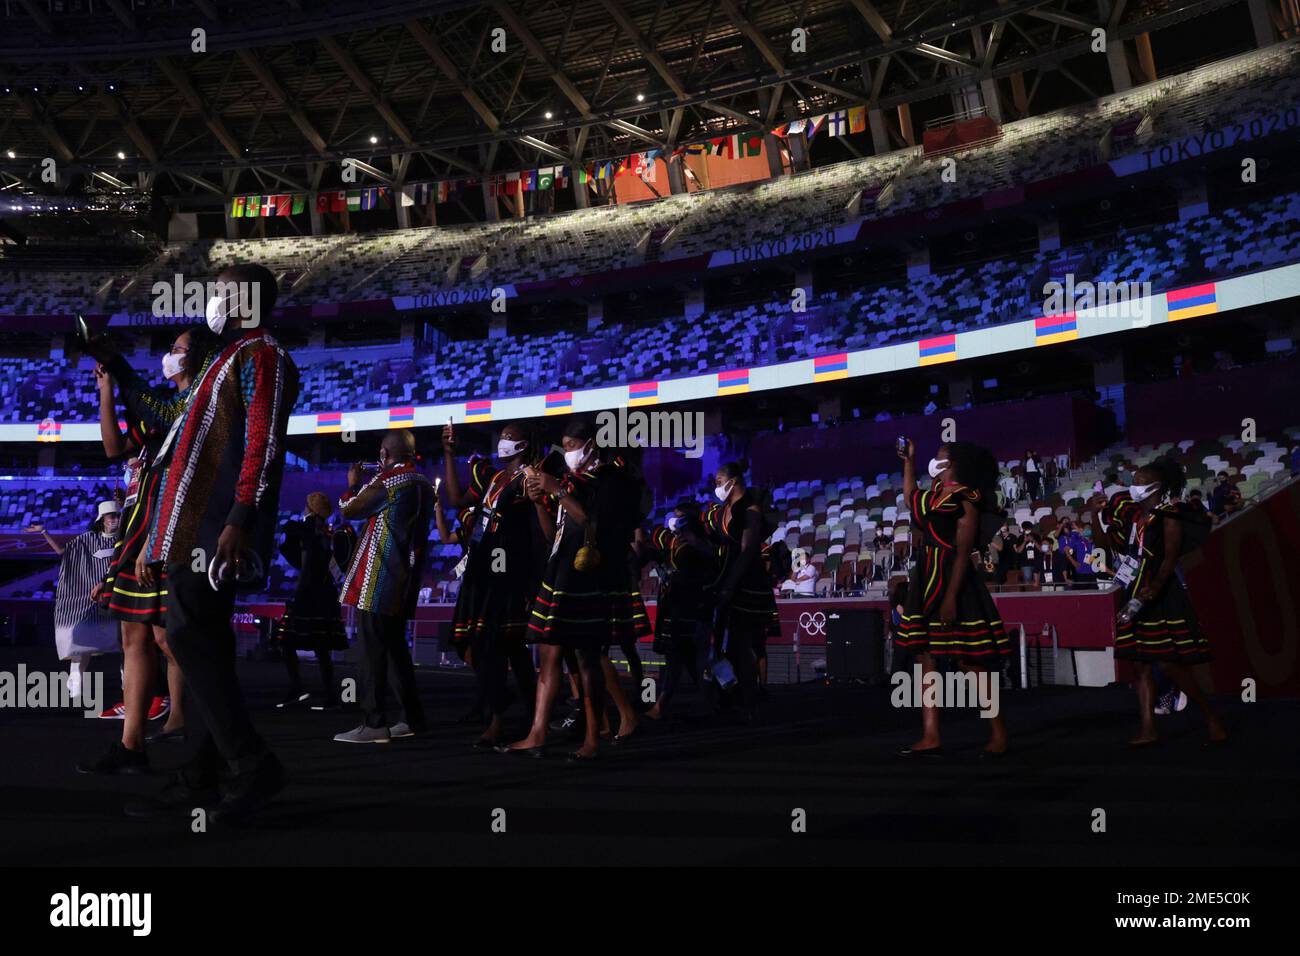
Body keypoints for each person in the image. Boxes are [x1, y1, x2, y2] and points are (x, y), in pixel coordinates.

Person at [91, 263, 299, 823]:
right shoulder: (220, 365)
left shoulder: (264, 357)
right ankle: (203, 773)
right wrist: (118, 369)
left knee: (187, 636)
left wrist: (241, 516)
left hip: (214, 527)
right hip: (187, 526)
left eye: (220, 291)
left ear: (245, 300)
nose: (210, 299)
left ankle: (252, 764)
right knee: (200, 642)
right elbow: (166, 419)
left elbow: (264, 442)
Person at [76, 325, 218, 775]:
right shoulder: (160, 407)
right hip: (141, 526)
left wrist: (117, 368)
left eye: (177, 350)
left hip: (169, 525)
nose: (170, 356)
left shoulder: (195, 403)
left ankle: (203, 732)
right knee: (134, 635)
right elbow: (114, 447)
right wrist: (106, 390)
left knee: (169, 637)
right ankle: (132, 744)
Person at [502, 419, 646, 760]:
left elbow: (590, 521)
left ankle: (596, 735)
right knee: (553, 653)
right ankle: (541, 732)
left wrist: (557, 490)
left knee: (587, 659)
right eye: (564, 445)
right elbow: (554, 534)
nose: (567, 452)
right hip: (561, 573)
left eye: (571, 445)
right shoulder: (571, 481)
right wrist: (540, 501)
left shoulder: (609, 480)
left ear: (591, 445)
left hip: (589, 580)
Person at [893, 440, 1011, 756]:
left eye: (940, 458)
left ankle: (999, 732)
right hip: (925, 573)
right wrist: (909, 462)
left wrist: (951, 597)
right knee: (925, 656)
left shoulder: (967, 498)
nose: (934, 460)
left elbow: (962, 552)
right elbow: (909, 499)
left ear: (954, 463)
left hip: (951, 577)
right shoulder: (933, 493)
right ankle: (931, 733)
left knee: (968, 660)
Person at [1099, 458, 1226, 746]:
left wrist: (1152, 589)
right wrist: (1100, 519)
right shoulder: (1134, 519)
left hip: (1160, 593)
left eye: (1142, 483)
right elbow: (1114, 547)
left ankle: (1210, 716)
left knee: (1169, 664)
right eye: (1135, 482)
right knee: (1140, 666)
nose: (1135, 488)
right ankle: (1148, 728)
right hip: (1135, 589)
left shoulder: (1169, 515)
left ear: (1157, 487)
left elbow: (1169, 558)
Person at [440, 421, 546, 748]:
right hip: (482, 568)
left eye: (511, 438)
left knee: (498, 646)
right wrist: (449, 452)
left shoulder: (529, 479)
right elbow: (457, 499)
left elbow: (536, 534)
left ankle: (499, 719)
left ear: (525, 444)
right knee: (483, 645)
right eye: (501, 437)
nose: (503, 443)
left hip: (509, 571)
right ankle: (520, 707)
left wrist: (533, 584)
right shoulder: (497, 477)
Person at [333, 430, 435, 744]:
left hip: (378, 579)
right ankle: (411, 716)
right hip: (404, 577)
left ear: (384, 454)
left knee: (372, 654)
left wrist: (352, 482)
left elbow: (349, 508)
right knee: (395, 651)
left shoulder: (391, 482)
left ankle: (374, 721)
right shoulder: (423, 483)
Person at [639, 502, 722, 721]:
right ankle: (706, 702)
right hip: (676, 607)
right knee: (681, 658)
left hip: (693, 609)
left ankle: (710, 701)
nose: (673, 521)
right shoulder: (679, 543)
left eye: (678, 517)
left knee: (694, 659)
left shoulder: (701, 546)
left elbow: (698, 574)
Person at [707, 462, 777, 718]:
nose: (716, 486)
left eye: (719, 480)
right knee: (727, 645)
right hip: (728, 580)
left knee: (742, 643)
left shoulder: (750, 508)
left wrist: (730, 584)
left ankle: (748, 700)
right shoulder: (726, 509)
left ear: (733, 481)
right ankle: (730, 696)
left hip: (746, 583)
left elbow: (747, 551)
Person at [274, 492, 348, 710]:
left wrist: (300, 590)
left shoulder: (308, 531)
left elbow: (303, 561)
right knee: (322, 646)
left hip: (308, 592)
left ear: (311, 509)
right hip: (326, 593)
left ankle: (298, 688)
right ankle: (329, 695)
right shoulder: (327, 533)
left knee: (286, 641)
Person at [50, 501, 121, 703]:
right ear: (102, 520)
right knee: (82, 640)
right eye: (110, 516)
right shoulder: (87, 540)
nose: (114, 520)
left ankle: (129, 684)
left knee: (127, 642)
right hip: (91, 599)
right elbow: (64, 554)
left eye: (117, 515)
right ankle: (76, 679)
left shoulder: (125, 540)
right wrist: (44, 532)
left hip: (118, 595)